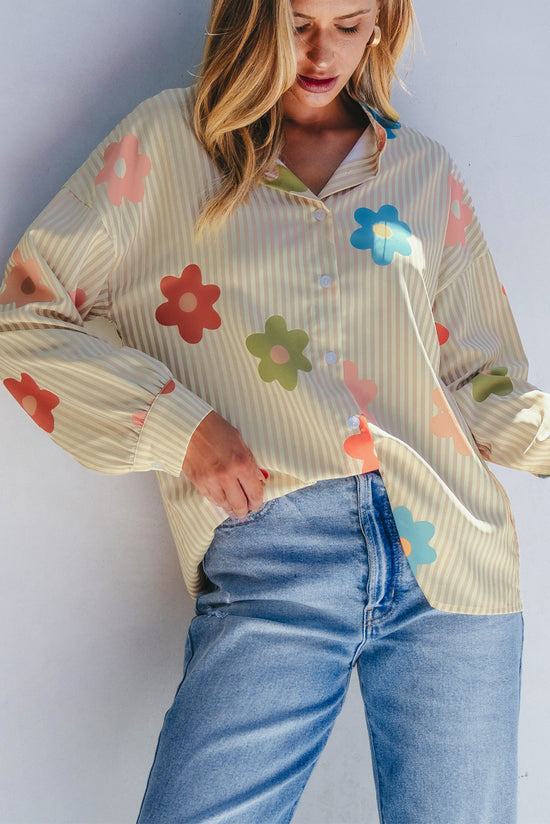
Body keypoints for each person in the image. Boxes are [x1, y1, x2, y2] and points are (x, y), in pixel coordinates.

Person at [0, 0, 547, 821]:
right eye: (299, 23)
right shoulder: (166, 148)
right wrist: (182, 430)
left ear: (383, 24)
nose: (324, 51)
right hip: (274, 552)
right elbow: (27, 317)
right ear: (252, 18)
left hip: (451, 556)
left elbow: (483, 384)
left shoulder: (422, 171)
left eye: (352, 22)